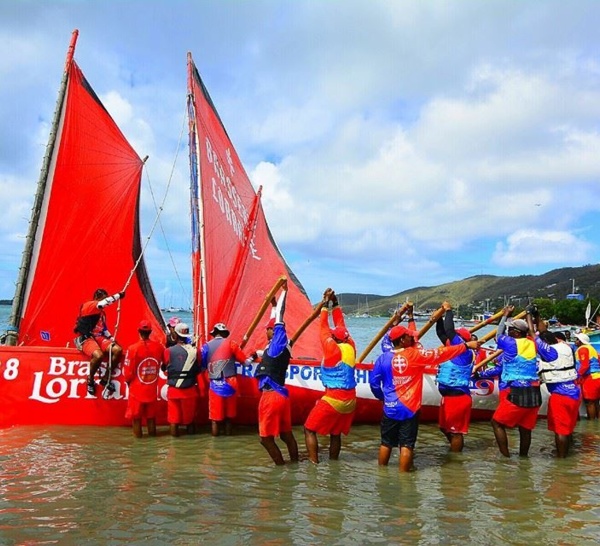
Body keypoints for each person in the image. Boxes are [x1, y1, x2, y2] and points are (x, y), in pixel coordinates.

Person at [369, 322, 479, 471]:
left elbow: (374, 383)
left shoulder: (382, 358)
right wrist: (465, 346)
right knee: (406, 445)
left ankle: (381, 475)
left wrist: (382, 398)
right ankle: (404, 480)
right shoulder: (415, 355)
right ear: (402, 340)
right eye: (409, 337)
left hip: (390, 408)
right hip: (410, 408)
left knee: (386, 443)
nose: (412, 339)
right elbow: (441, 354)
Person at [304, 288, 357, 464]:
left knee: (309, 429)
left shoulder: (331, 348)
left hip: (334, 398)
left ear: (334, 339)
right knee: (335, 433)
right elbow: (341, 326)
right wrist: (335, 304)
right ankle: (334, 464)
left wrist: (325, 305)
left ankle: (314, 464)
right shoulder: (351, 345)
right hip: (350, 400)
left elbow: (323, 327)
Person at [253, 282, 299, 465]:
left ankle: (281, 467)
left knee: (265, 439)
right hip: (282, 397)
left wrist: (284, 292)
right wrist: (273, 306)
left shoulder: (279, 341)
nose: (266, 331)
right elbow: (276, 316)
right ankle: (295, 465)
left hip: (271, 397)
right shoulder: (278, 347)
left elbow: (280, 316)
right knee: (286, 435)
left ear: (274, 331)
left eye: (268, 329)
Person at [490, 305, 541, 458]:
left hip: (517, 390)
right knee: (525, 429)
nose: (508, 331)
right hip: (534, 391)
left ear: (516, 332)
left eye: (510, 329)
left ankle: (505, 458)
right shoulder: (533, 343)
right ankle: (524, 459)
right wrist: (533, 316)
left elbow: (498, 334)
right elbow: (536, 329)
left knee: (497, 423)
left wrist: (505, 315)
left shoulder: (511, 343)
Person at [531, 317, 580, 457]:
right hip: (574, 393)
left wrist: (529, 317)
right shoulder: (566, 347)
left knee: (560, 431)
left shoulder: (550, 353)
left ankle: (561, 461)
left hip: (561, 395)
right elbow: (543, 332)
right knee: (568, 429)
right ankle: (567, 454)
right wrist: (536, 316)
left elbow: (534, 335)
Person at [435, 301, 477, 452]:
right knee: (443, 428)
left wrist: (448, 310)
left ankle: (455, 460)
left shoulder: (464, 351)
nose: (449, 338)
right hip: (447, 397)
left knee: (455, 432)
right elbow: (441, 332)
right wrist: (438, 316)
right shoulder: (452, 348)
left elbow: (449, 329)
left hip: (458, 397)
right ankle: (454, 451)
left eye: (454, 337)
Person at [74, 288, 125, 396]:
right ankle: (90, 380)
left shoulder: (101, 314)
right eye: (104, 298)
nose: (106, 301)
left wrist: (111, 338)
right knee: (98, 356)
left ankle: (106, 378)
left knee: (117, 350)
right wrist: (118, 295)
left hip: (99, 338)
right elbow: (103, 304)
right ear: (98, 298)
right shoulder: (89, 306)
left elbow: (104, 329)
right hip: (87, 338)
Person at [201, 322, 247, 436]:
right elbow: (244, 361)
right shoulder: (232, 344)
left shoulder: (206, 346)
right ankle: (229, 437)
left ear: (214, 333)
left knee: (215, 418)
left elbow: (202, 365)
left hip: (215, 382)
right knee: (229, 416)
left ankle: (214, 445)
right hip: (230, 381)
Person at [122, 320, 165, 438]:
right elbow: (165, 363)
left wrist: (128, 382)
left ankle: (138, 445)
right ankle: (152, 442)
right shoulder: (159, 347)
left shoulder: (133, 349)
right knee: (151, 418)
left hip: (136, 390)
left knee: (136, 419)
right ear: (150, 332)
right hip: (151, 389)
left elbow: (128, 372)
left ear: (138, 331)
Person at [162, 322, 201, 436]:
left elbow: (165, 366)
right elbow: (199, 367)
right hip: (190, 390)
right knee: (190, 421)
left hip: (174, 390)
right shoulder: (195, 350)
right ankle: (191, 449)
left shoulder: (168, 351)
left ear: (175, 335)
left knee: (174, 421)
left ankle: (174, 447)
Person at [573, 332, 600, 420]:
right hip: (597, 376)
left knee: (589, 402)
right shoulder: (592, 349)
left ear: (581, 341)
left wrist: (577, 376)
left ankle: (591, 426)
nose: (575, 341)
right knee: (596, 402)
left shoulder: (582, 349)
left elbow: (584, 366)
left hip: (590, 378)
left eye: (577, 339)